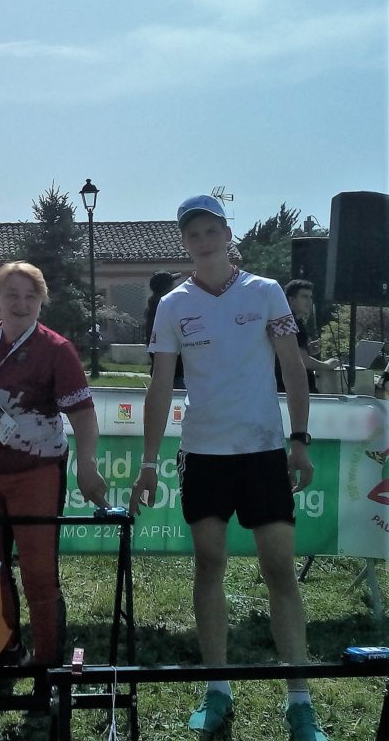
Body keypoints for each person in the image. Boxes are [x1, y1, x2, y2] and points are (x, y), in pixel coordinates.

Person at [130, 196, 328, 740]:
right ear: (184, 242)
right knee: (209, 566)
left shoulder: (265, 291)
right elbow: (160, 385)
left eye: (211, 230)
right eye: (192, 234)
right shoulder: (172, 304)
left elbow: (292, 367)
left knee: (279, 569)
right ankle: (216, 687)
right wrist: (148, 461)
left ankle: (299, 699)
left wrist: (299, 440)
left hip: (263, 453)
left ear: (226, 233)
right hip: (204, 455)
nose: (203, 241)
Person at [0, 261, 108, 674]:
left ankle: (48, 669)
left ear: (42, 301)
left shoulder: (57, 349)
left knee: (39, 573)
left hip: (36, 471)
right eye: (12, 295)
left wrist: (87, 464)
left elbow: (83, 415)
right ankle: (6, 651)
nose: (21, 304)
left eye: (30, 296)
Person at [275, 279, 340, 393]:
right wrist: (327, 365)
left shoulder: (284, 320)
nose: (309, 301)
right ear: (291, 299)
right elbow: (301, 361)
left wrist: (307, 349)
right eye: (304, 297)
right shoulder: (292, 323)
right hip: (294, 390)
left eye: (310, 297)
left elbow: (288, 352)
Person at [145, 271, 185, 389]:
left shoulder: (152, 308)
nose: (175, 286)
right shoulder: (166, 308)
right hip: (173, 371)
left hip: (163, 369)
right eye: (172, 284)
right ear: (167, 287)